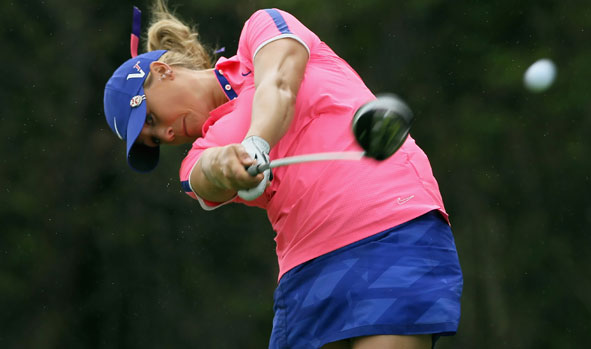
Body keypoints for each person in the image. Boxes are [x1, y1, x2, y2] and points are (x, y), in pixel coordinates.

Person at [103, 1, 463, 348]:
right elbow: (205, 174)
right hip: (306, 270)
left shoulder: (261, 30)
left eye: (151, 118)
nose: (165, 135)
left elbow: (278, 84)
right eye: (153, 140)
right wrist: (225, 166)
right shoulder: (198, 155)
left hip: (391, 227)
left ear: (163, 72)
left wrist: (256, 143)